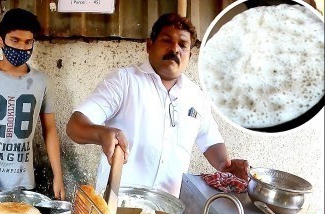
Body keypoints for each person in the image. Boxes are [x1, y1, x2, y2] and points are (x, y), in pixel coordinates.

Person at [66, 13, 248, 197]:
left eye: (183, 45)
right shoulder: (124, 81)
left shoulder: (196, 97)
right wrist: (102, 133)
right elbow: (75, 126)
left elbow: (210, 141)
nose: (175, 49)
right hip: (117, 208)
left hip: (167, 213)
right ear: (149, 46)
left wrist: (226, 165)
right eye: (167, 40)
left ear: (190, 55)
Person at [0, 8, 66, 200]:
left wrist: (58, 175)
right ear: (0, 41)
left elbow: (50, 130)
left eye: (28, 42)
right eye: (15, 40)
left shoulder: (42, 82)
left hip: (23, 183)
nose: (22, 48)